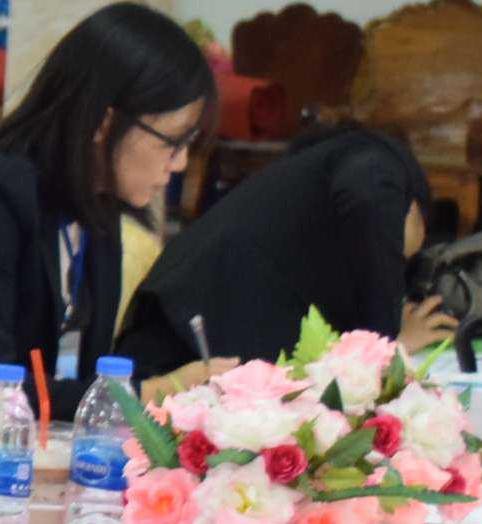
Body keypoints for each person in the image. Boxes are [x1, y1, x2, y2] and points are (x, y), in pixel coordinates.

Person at [0, 1, 219, 463]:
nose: (181, 163)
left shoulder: (96, 205)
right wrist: (152, 391)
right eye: (173, 142)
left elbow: (83, 374)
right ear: (105, 122)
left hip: (34, 454)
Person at [115, 125, 457, 367]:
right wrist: (386, 346)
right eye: (397, 255)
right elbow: (370, 206)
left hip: (187, 335)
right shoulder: (380, 165)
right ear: (411, 204)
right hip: (184, 344)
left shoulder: (319, 196)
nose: (391, 260)